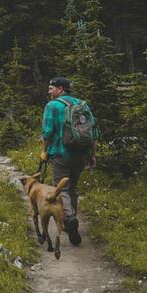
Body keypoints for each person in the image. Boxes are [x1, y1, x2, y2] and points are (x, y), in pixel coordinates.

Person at [41, 76, 97, 246]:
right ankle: (71, 217)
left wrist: (44, 151)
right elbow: (94, 132)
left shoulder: (52, 106)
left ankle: (70, 218)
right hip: (81, 153)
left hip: (60, 154)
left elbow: (47, 132)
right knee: (73, 187)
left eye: (51, 88)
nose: (49, 92)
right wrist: (92, 155)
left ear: (60, 89)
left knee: (61, 187)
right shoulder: (82, 105)